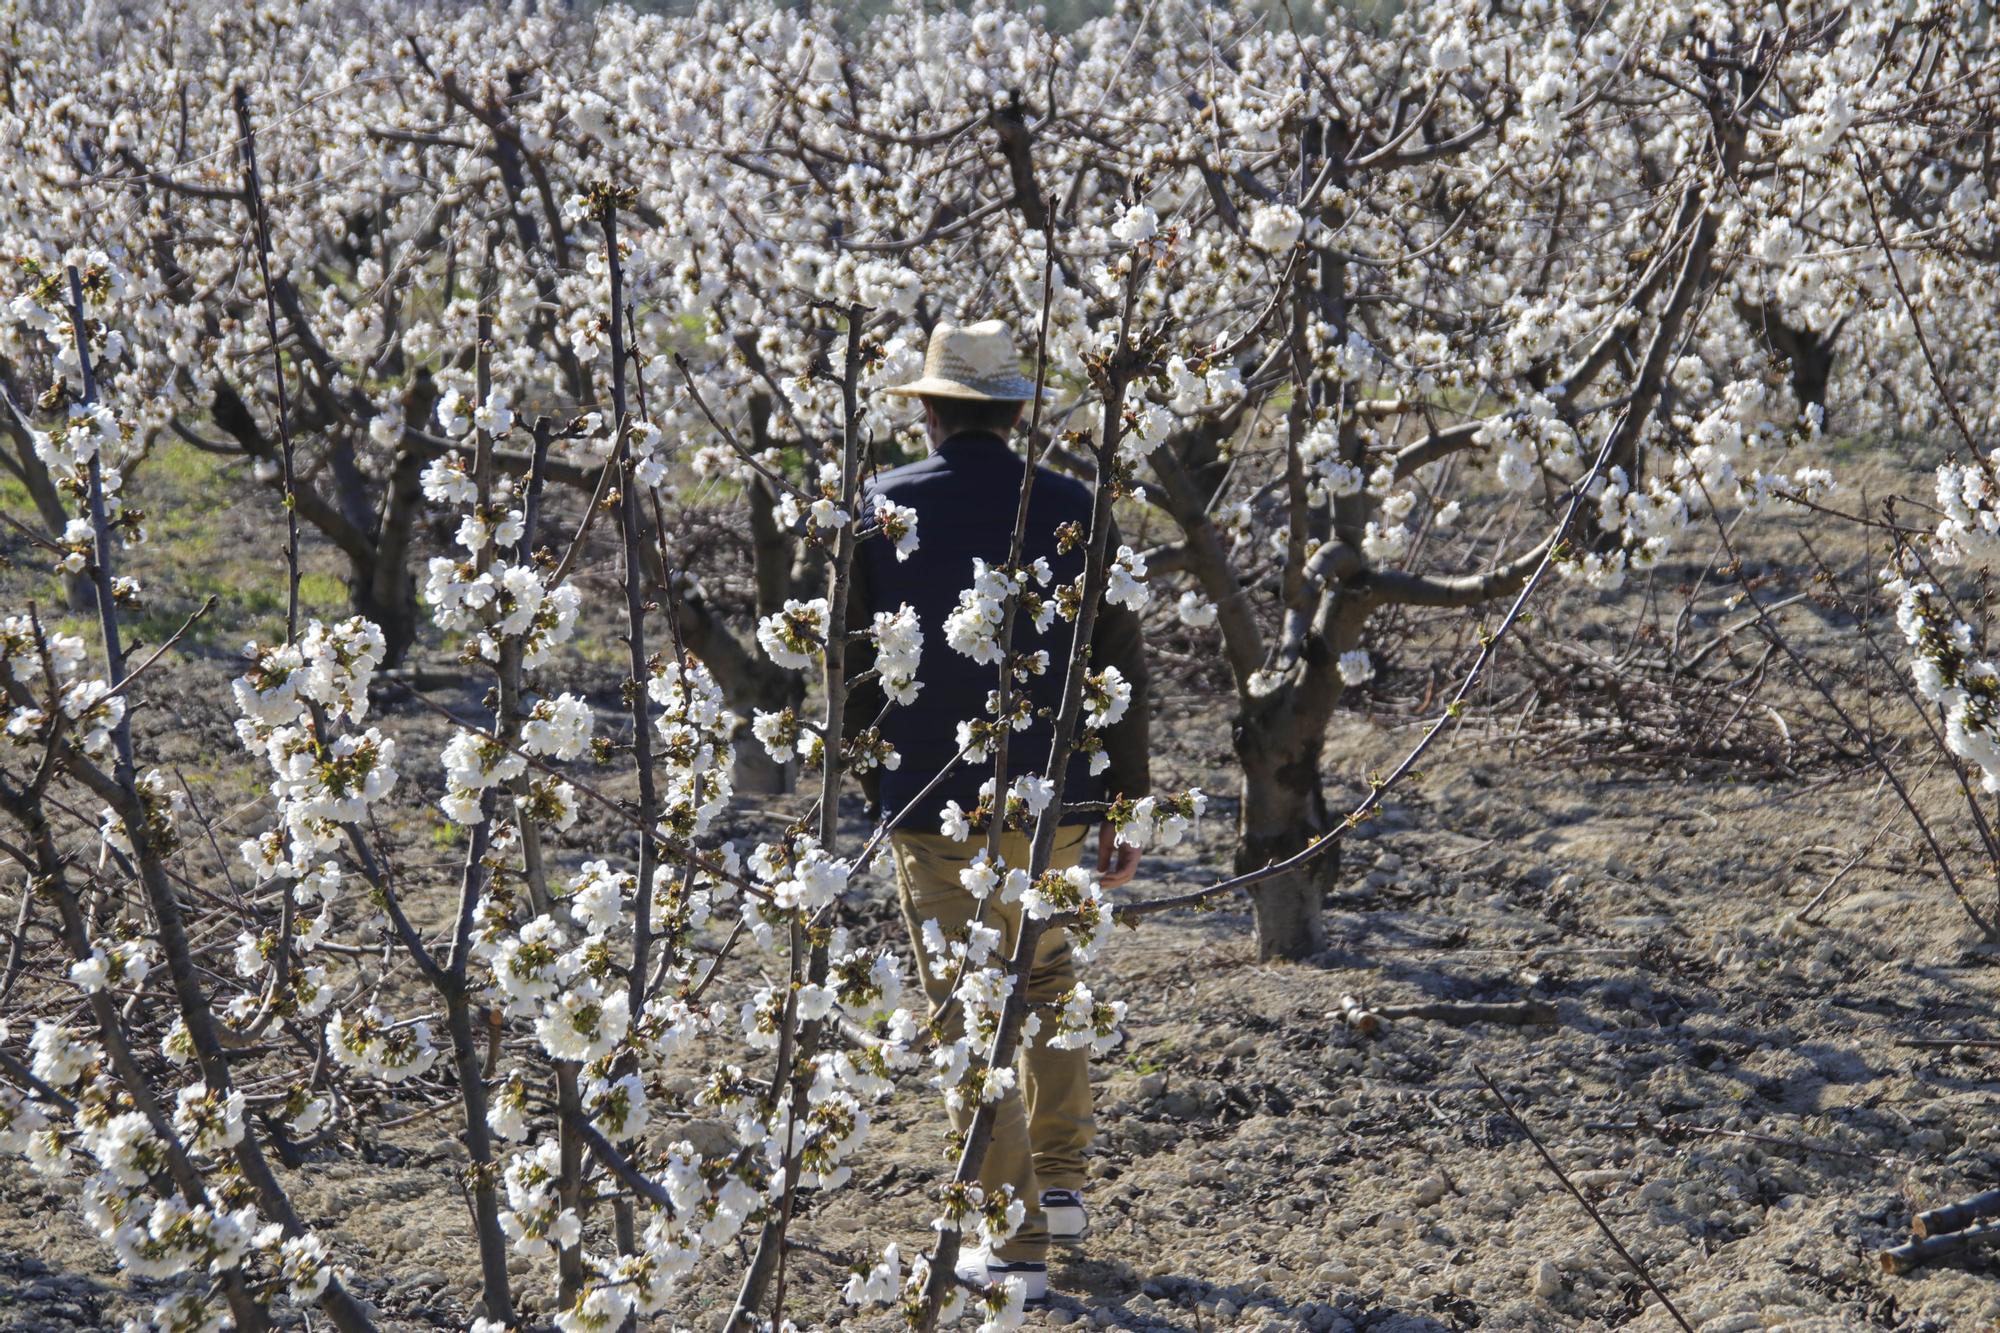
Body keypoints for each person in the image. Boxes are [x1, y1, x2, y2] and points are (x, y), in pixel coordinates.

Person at [843, 319, 1149, 1302]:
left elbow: (852, 663)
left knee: (970, 1013)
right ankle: (1057, 1180)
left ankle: (1010, 1238)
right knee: (1046, 976)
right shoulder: (1073, 505)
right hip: (1051, 787)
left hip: (931, 795)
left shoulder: (881, 510)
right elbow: (1116, 666)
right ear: (1016, 413)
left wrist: (870, 778)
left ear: (926, 410)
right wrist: (1119, 802)